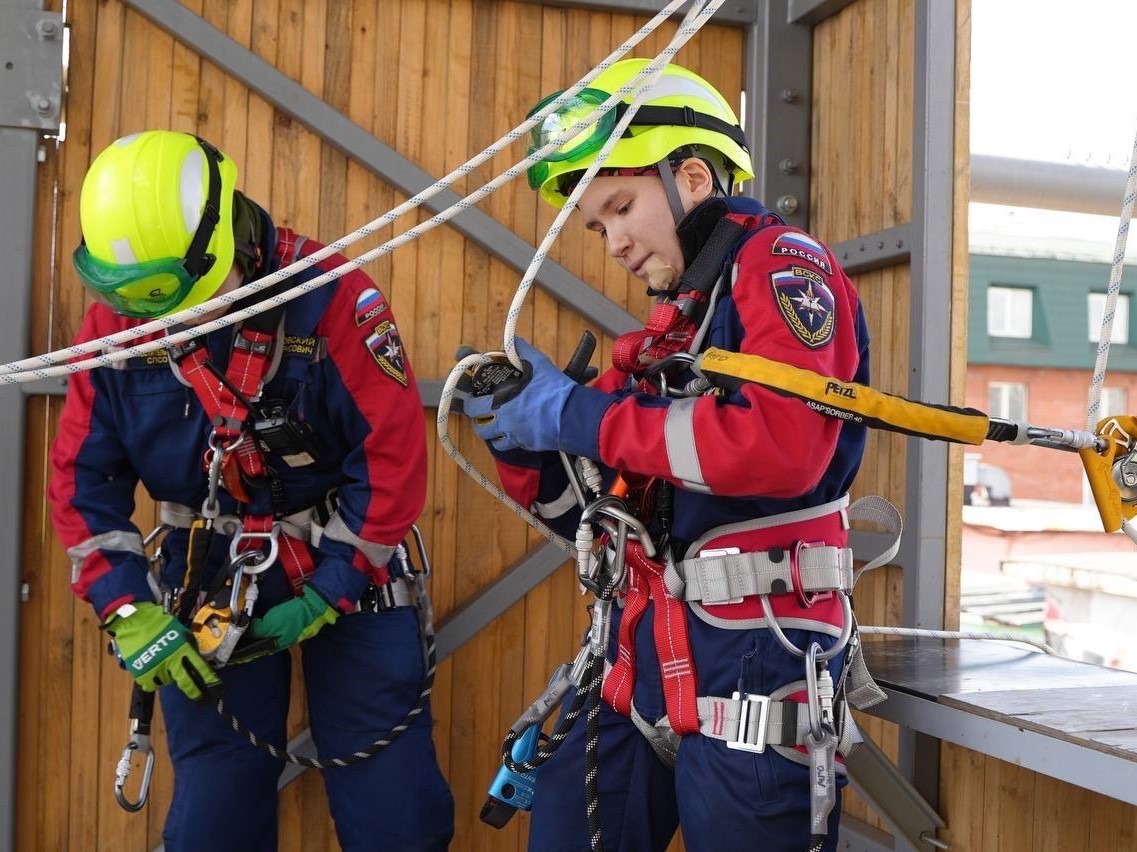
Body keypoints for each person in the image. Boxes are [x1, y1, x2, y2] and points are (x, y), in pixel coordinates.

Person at [462, 60, 871, 852]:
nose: (612, 242)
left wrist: (581, 414)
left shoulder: (781, 265)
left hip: (756, 672)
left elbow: (779, 447)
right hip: (634, 671)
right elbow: (591, 520)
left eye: (620, 207)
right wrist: (525, 450)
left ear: (690, 175)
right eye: (595, 225)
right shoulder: (663, 337)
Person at [49, 130, 454, 851]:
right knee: (215, 811)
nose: (154, 324)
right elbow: (83, 480)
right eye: (137, 306)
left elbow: (389, 457)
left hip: (346, 557)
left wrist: (333, 587)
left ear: (224, 249)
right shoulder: (116, 324)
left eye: (167, 300)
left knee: (392, 805)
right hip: (203, 567)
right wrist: (127, 607)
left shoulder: (331, 300)